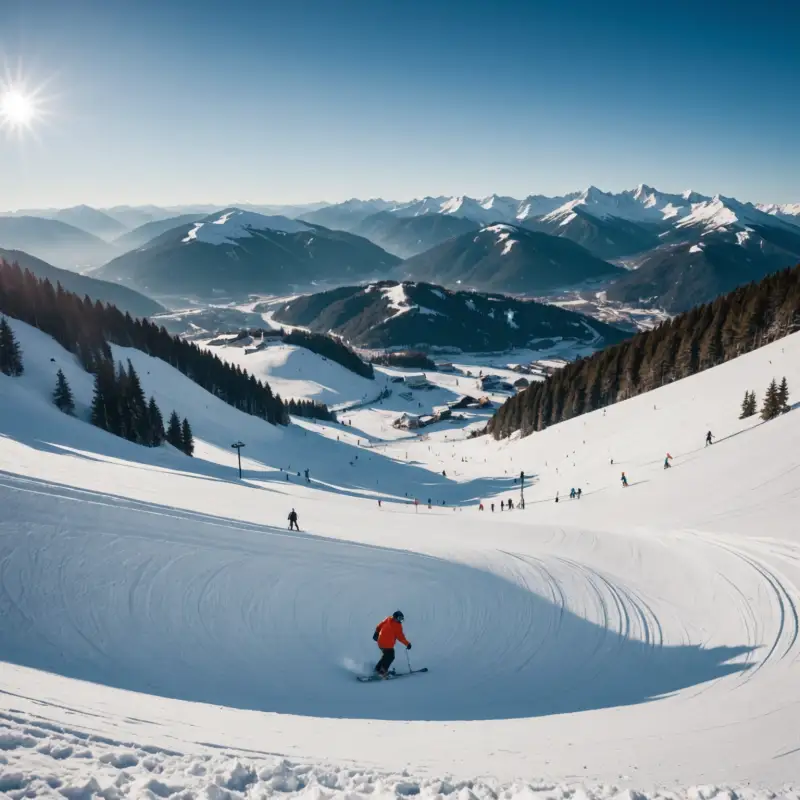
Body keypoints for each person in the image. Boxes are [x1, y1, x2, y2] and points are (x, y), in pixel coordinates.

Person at [373, 610, 411, 676]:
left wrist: (376, 633)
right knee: (391, 656)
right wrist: (407, 644)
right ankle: (382, 671)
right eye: (399, 618)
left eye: (402, 619)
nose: (400, 620)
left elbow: (379, 626)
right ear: (395, 617)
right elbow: (401, 637)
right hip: (387, 644)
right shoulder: (398, 626)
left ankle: (377, 669)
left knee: (385, 656)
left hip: (381, 642)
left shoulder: (388, 619)